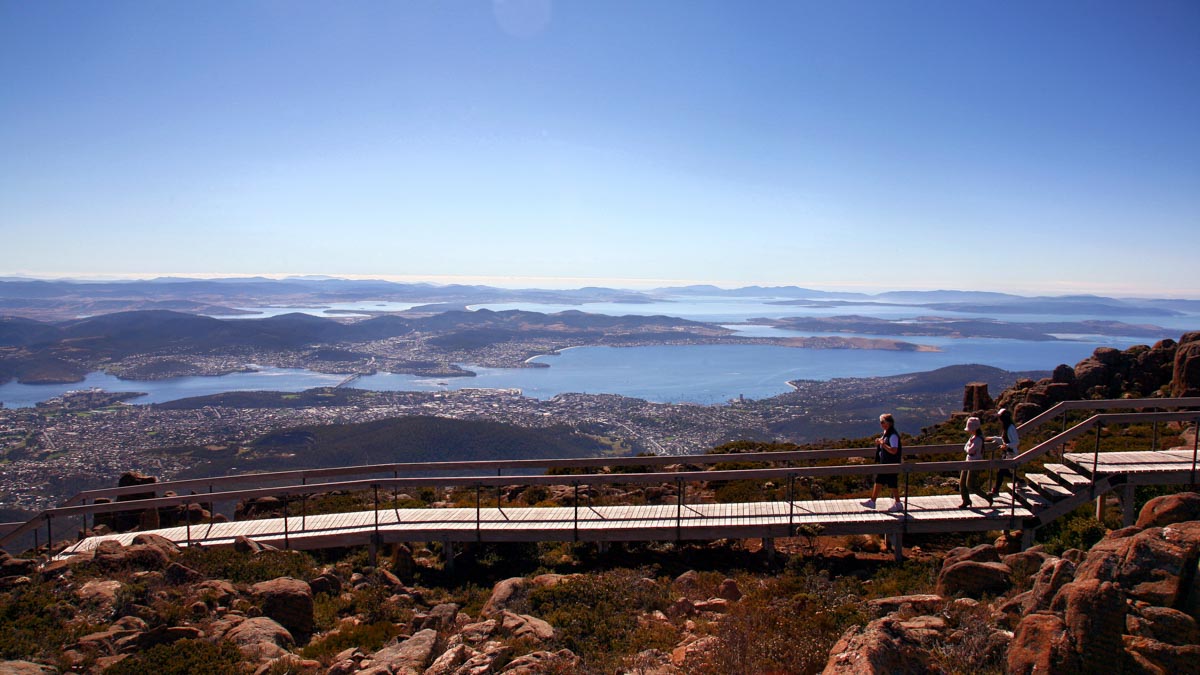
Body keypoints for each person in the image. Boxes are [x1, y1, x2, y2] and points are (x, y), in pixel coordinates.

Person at [862, 413, 903, 511]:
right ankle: (874, 501)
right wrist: (881, 441)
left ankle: (897, 504)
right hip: (886, 463)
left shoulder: (892, 435)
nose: (881, 424)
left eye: (882, 422)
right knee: (881, 481)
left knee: (891, 482)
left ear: (888, 423)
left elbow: (894, 450)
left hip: (890, 463)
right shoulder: (887, 433)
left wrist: (882, 444)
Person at [960, 416, 993, 508]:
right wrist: (967, 448)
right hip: (968, 462)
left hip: (975, 464)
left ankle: (987, 497)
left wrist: (967, 448)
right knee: (962, 483)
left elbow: (969, 450)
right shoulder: (973, 437)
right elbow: (966, 447)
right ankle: (966, 501)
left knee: (970, 485)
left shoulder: (978, 439)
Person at [988, 408, 1020, 498]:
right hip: (1007, 453)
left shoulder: (1010, 428)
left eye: (1000, 417)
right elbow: (1003, 439)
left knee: (1001, 472)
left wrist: (1007, 446)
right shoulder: (1006, 427)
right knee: (1004, 472)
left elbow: (1016, 442)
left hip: (1011, 454)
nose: (999, 419)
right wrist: (992, 438)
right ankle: (1020, 481)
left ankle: (995, 491)